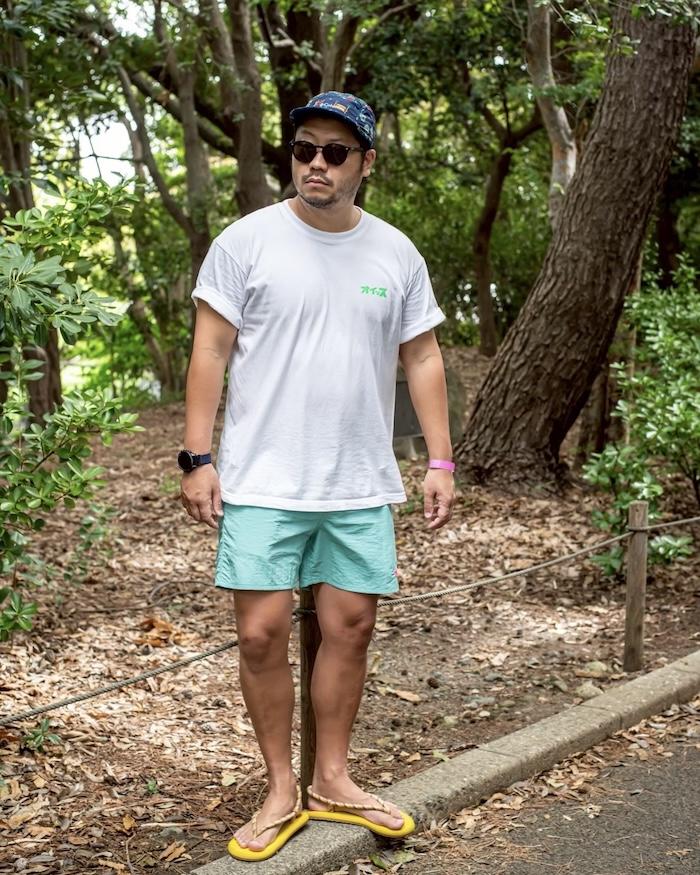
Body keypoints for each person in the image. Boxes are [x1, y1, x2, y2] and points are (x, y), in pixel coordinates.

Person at [179, 91, 456, 862]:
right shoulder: (246, 242)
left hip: (358, 480)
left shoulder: (395, 253)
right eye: (305, 149)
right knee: (260, 633)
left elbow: (422, 357)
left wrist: (439, 460)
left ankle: (332, 777)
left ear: (366, 162)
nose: (317, 164)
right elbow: (210, 349)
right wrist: (197, 456)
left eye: (336, 152)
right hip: (262, 479)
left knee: (351, 627)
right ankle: (280, 789)